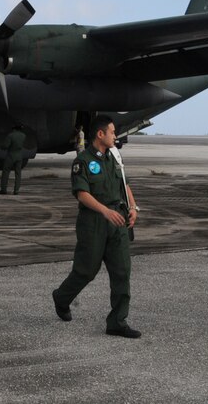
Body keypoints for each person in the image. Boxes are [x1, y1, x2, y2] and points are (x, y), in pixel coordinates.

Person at [52, 114, 141, 338]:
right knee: (86, 271)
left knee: (122, 271)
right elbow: (82, 194)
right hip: (94, 222)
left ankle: (117, 322)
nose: (114, 136)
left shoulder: (115, 157)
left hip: (117, 221)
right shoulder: (82, 161)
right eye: (112, 132)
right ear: (100, 134)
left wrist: (133, 207)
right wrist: (105, 211)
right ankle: (62, 298)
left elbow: (124, 183)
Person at [0, 124, 27, 195]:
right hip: (19, 156)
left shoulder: (10, 135)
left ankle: (3, 189)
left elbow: (6, 146)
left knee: (6, 172)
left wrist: (1, 147)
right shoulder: (23, 136)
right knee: (18, 173)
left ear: (14, 129)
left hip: (11, 155)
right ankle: (16, 190)